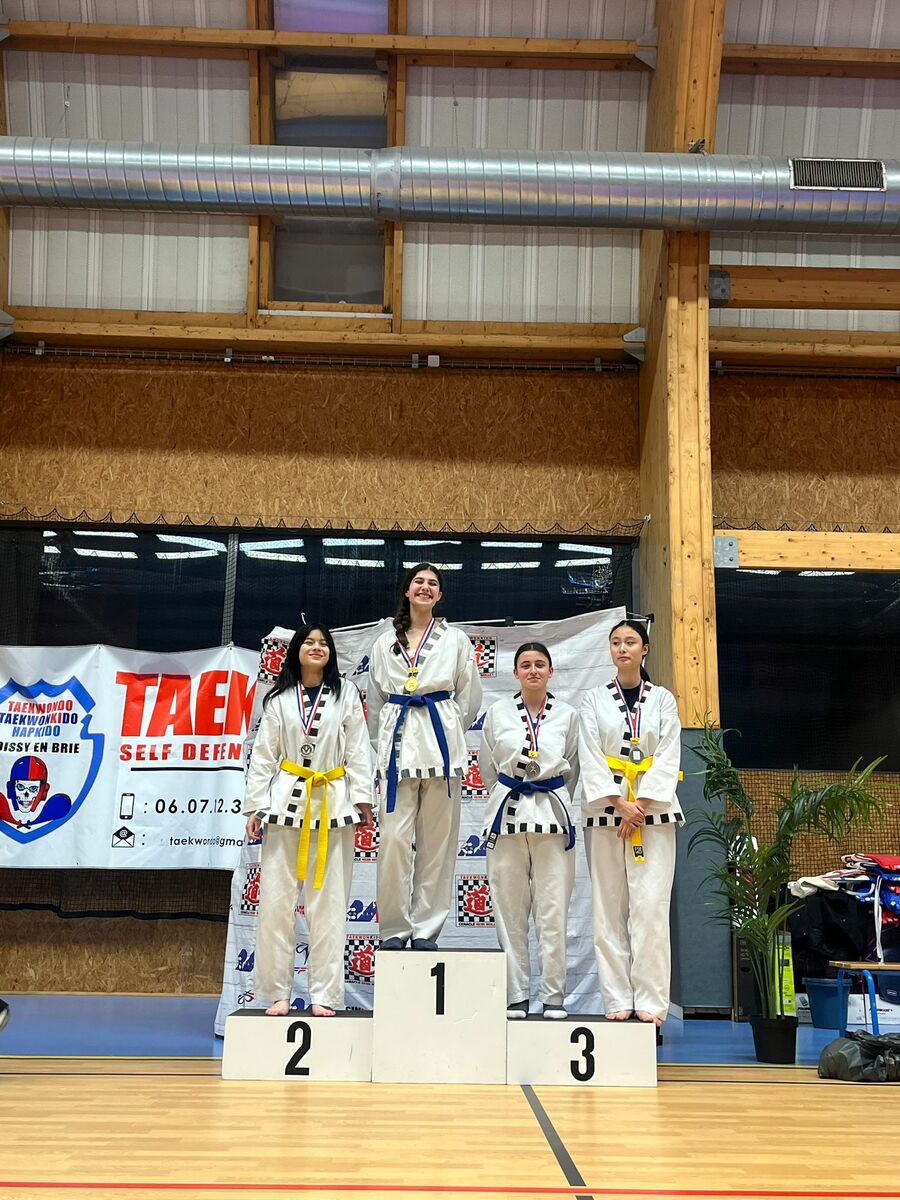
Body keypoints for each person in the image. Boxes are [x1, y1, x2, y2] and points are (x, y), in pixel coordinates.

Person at [244, 622, 375, 1017]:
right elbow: (263, 755)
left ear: (331, 652)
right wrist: (255, 807)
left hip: (333, 804)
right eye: (309, 642)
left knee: (330, 906)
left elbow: (358, 749)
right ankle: (276, 993)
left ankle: (324, 995)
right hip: (285, 805)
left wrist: (363, 800)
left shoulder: (346, 693)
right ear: (297, 650)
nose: (317, 648)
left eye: (323, 643)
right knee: (275, 905)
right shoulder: (279, 698)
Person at [368, 563, 482, 950]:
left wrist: (448, 728)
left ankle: (425, 930)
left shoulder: (456, 639)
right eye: (419, 581)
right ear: (407, 590)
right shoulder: (385, 641)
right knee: (393, 843)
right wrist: (383, 744)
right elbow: (376, 700)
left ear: (440, 595)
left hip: (440, 747)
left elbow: (468, 696)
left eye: (433, 583)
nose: (425, 587)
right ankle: (394, 929)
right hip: (397, 749)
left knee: (438, 845)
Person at [578, 619, 683, 1028]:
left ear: (645, 649)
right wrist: (620, 803)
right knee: (608, 909)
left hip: (654, 813)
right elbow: (589, 753)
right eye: (616, 642)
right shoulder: (593, 699)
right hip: (607, 812)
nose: (623, 648)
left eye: (630, 642)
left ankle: (651, 1002)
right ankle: (617, 997)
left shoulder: (663, 699)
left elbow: (669, 753)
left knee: (651, 908)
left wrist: (640, 805)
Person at [478, 642, 579, 1019]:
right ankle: (516, 996)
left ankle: (553, 997)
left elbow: (573, 766)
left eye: (540, 664)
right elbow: (488, 767)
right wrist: (507, 792)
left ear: (551, 671)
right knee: (509, 912)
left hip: (552, 818)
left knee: (553, 911)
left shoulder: (567, 715)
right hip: (507, 817)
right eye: (525, 665)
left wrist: (553, 797)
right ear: (516, 672)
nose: (533, 670)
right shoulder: (498, 713)